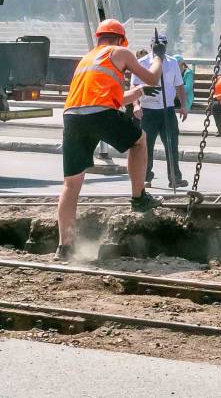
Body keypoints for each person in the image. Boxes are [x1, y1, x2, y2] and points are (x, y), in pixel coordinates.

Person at [56, 19, 163, 260]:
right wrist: (159, 56)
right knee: (139, 140)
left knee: (71, 184)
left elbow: (105, 99)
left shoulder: (87, 59)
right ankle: (139, 198)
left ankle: (65, 247)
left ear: (99, 38)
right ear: (119, 39)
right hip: (99, 114)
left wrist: (137, 93)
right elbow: (153, 78)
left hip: (72, 117)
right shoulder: (120, 52)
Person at [132, 36, 188, 188]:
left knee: (172, 143)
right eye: (157, 45)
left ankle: (175, 177)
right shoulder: (142, 63)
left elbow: (179, 86)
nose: (160, 47)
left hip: (167, 109)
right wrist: (136, 105)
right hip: (148, 111)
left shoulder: (172, 62)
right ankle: (145, 177)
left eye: (162, 45)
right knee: (146, 146)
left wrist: (184, 105)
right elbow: (134, 87)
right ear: (151, 46)